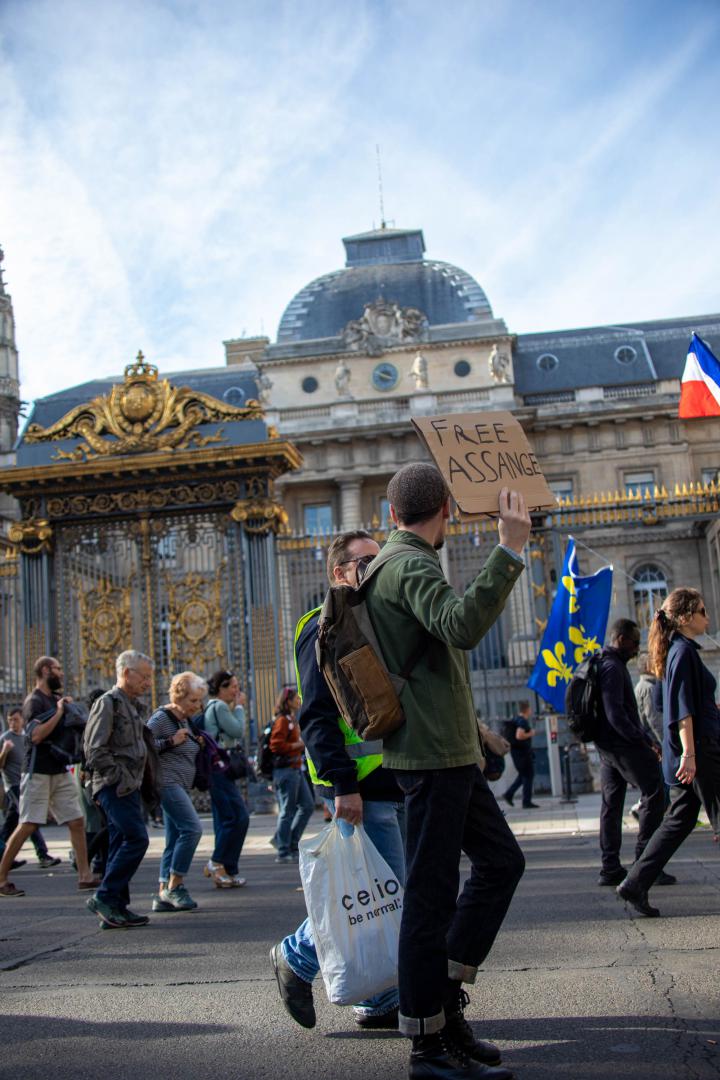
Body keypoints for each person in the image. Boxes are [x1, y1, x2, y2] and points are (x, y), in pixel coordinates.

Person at [363, 463, 529, 1080]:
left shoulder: (402, 560)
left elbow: (437, 660)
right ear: (448, 511)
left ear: (391, 512)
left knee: (501, 863)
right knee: (430, 901)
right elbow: (460, 627)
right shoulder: (409, 565)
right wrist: (508, 548)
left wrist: (474, 734)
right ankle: (427, 1047)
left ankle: (446, 1001)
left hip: (448, 751)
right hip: (431, 757)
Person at [271, 529, 406, 1031]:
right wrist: (341, 784)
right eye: (365, 562)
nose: (376, 569)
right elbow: (316, 716)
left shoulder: (375, 618)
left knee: (385, 894)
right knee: (388, 892)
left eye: (380, 560)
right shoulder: (323, 624)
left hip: (396, 778)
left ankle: (380, 999)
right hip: (361, 785)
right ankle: (296, 956)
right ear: (339, 572)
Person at [618, 590, 720, 917]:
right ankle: (635, 882)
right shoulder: (683, 652)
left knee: (679, 820)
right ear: (686, 617)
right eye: (702, 611)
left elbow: (692, 705)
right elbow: (682, 710)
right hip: (699, 752)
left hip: (693, 751)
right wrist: (689, 754)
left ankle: (635, 883)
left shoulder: (680, 650)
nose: (707, 617)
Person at [0, 657, 98, 898]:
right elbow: (35, 736)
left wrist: (66, 709)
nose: (61, 673)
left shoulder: (54, 698)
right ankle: (1, 878)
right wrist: (59, 712)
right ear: (45, 671)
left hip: (59, 769)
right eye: (57, 669)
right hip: (37, 771)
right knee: (28, 824)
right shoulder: (33, 701)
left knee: (76, 820)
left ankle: (85, 876)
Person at [594, 620, 673, 888]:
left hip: (607, 747)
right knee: (655, 792)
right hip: (622, 745)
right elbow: (616, 714)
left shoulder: (603, 663)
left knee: (611, 804)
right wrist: (643, 740)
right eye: (634, 642)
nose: (637, 648)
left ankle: (610, 867)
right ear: (621, 639)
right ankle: (646, 865)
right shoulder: (613, 668)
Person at [83, 650, 156, 928]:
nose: (149, 683)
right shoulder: (108, 703)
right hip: (114, 785)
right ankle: (104, 896)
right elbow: (94, 749)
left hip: (129, 785)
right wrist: (118, 777)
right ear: (126, 673)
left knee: (118, 842)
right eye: (145, 677)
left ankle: (115, 908)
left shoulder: (133, 706)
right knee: (137, 839)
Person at [147, 672, 206, 912]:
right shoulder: (162, 718)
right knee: (192, 829)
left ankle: (163, 892)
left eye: (199, 700)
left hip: (181, 784)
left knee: (173, 838)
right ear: (178, 696)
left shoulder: (185, 720)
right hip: (167, 783)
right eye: (193, 700)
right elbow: (144, 745)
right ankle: (176, 884)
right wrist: (171, 741)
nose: (197, 706)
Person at [203, 670, 250, 888]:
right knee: (237, 817)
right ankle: (217, 862)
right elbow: (238, 730)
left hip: (218, 769)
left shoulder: (215, 707)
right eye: (233, 686)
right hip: (219, 769)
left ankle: (227, 869)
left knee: (225, 819)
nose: (236, 690)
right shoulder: (220, 706)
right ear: (221, 688)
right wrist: (239, 707)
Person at [0, 707, 61, 869]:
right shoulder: (5, 739)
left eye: (16, 720)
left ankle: (3, 854)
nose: (13, 723)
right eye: (10, 720)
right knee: (29, 820)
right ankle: (43, 854)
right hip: (13, 785)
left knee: (11, 823)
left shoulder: (26, 737)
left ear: (22, 720)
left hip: (25, 782)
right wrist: (4, 751)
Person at [269, 686, 314, 863]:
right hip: (286, 770)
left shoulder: (291, 719)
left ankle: (290, 843)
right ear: (288, 701)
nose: (299, 701)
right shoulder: (282, 720)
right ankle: (283, 850)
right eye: (296, 698)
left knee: (307, 805)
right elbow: (275, 745)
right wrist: (298, 745)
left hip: (295, 769)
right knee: (287, 811)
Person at [501, 701, 538, 809]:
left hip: (517, 753)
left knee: (524, 775)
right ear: (527, 709)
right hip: (522, 754)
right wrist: (531, 733)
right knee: (528, 775)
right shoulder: (522, 721)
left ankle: (509, 794)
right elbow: (519, 735)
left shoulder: (516, 719)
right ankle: (526, 802)